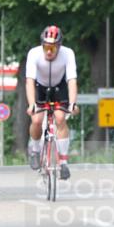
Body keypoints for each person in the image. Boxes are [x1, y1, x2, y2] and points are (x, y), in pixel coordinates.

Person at [25, 25, 78, 180]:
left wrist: (73, 103)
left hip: (59, 87)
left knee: (60, 119)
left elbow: (72, 80)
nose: (49, 51)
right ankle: (35, 150)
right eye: (46, 47)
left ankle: (63, 163)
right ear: (42, 45)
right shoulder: (34, 54)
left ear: (59, 47)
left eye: (53, 49)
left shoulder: (68, 54)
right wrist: (31, 104)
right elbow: (29, 81)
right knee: (36, 120)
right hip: (40, 87)